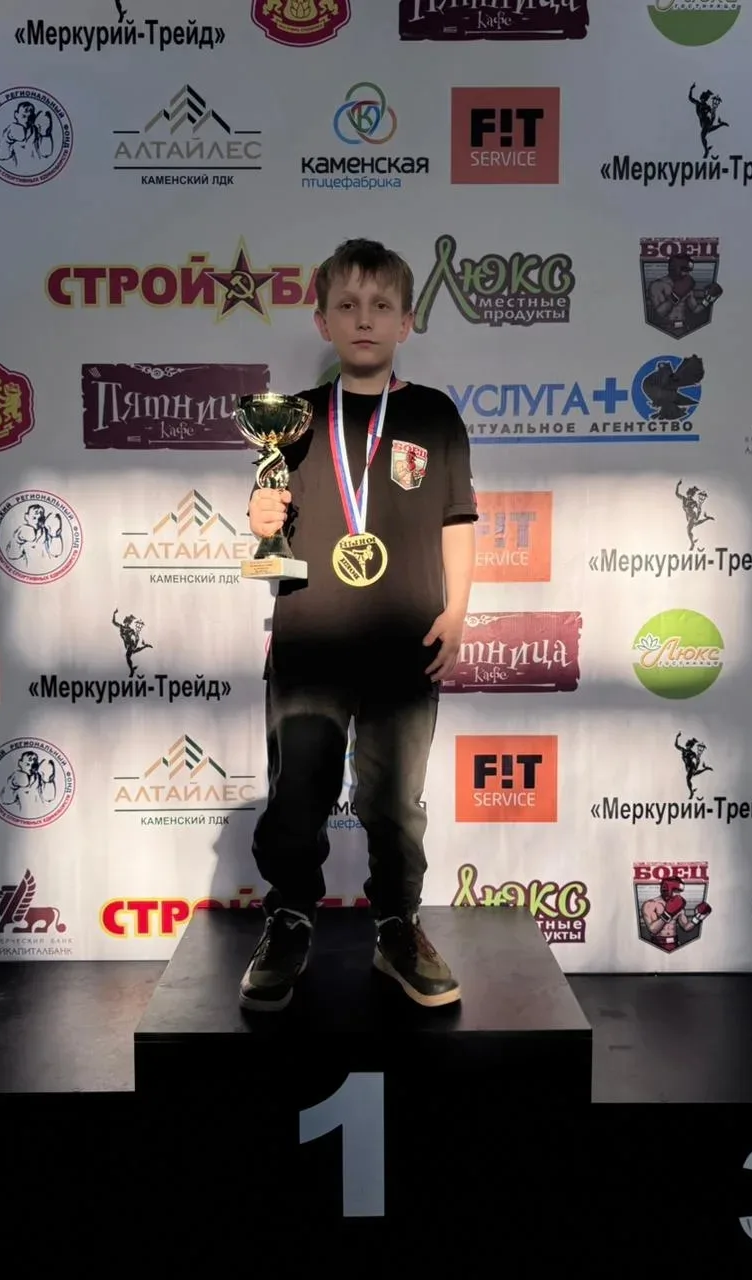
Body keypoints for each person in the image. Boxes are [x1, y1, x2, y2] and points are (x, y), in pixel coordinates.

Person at [239, 238, 478, 1013]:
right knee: (298, 793)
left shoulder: (433, 414)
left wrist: (458, 610)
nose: (364, 319)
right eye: (347, 305)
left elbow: (458, 519)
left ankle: (397, 926)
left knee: (395, 802)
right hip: (311, 638)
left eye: (381, 306)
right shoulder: (296, 420)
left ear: (406, 322)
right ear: (323, 322)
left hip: (406, 642)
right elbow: (270, 517)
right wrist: (260, 516)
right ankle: (288, 919)